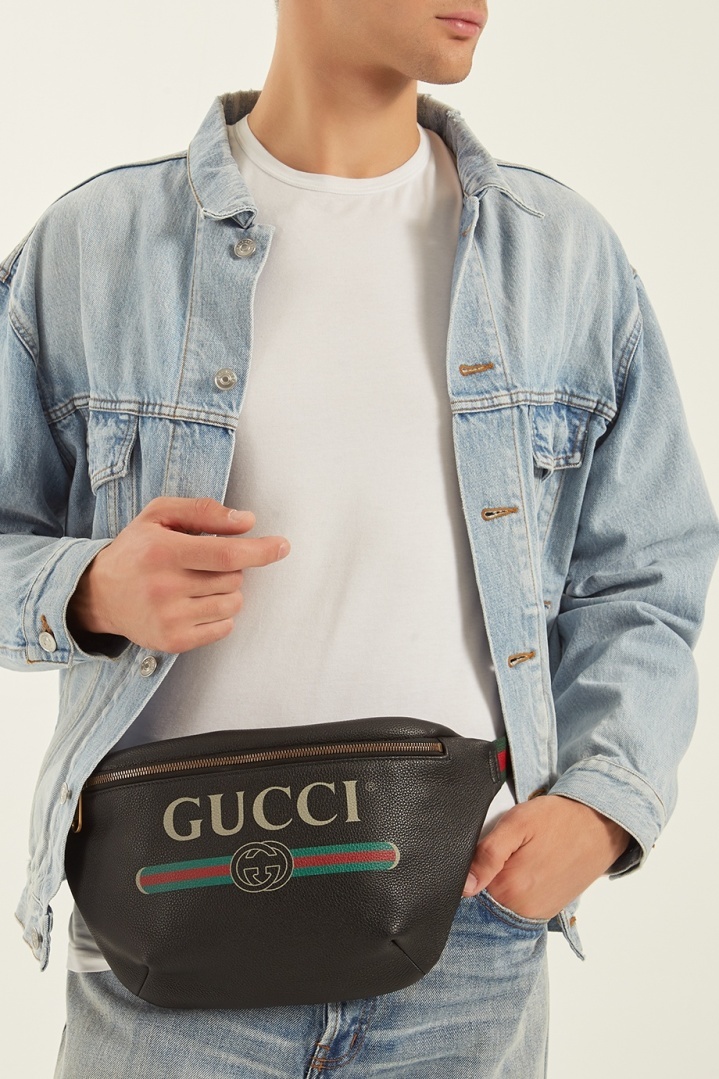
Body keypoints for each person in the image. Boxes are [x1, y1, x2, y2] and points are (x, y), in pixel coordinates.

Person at [1, 1, 717, 1076]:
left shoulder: (561, 255)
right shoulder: (93, 246)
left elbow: (646, 576)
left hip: (465, 939)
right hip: (169, 933)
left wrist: (601, 804)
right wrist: (89, 587)